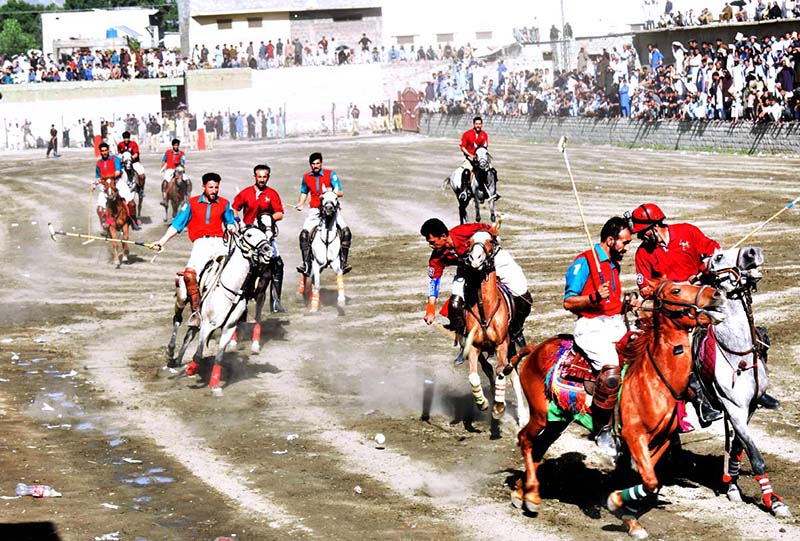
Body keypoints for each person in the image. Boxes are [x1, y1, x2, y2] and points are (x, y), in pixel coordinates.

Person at [629, 203, 780, 429]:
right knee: (686, 350)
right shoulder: (643, 254)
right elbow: (645, 289)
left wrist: (703, 269)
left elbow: (713, 251)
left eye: (643, 232)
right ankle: (701, 401)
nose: (641, 237)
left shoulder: (687, 231)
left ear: (654, 226)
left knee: (751, 333)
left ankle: (758, 390)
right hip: (678, 309)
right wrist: (677, 286)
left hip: (707, 296)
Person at [563, 217, 633, 456]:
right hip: (591, 327)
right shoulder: (583, 263)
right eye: (624, 242)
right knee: (611, 368)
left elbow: (611, 303)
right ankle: (601, 427)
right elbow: (568, 302)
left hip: (614, 324)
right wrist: (592, 298)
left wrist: (626, 304)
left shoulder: (614, 264)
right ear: (610, 240)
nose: (627, 248)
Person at [420, 218, 531, 360]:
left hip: (494, 260)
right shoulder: (436, 257)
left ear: (443, 236)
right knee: (455, 305)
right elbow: (433, 281)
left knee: (522, 296)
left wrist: (492, 232)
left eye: (432, 242)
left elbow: (486, 229)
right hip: (467, 270)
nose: (431, 246)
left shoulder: (463, 231)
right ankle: (465, 343)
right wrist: (430, 308)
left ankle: (516, 330)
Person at [151, 172, 237, 329]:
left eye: (216, 187)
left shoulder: (224, 203)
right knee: (190, 275)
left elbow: (231, 221)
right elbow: (177, 225)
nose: (214, 191)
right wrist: (162, 241)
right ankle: (195, 312)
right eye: (211, 187)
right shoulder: (191, 204)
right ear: (203, 187)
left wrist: (231, 226)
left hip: (220, 244)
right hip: (201, 245)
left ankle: (239, 306)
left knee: (236, 272)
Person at [232, 164, 286, 313]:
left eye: (264, 177)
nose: (262, 180)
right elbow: (234, 208)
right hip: (248, 235)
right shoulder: (246, 193)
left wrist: (266, 219)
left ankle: (275, 301)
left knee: (278, 264)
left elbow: (280, 214)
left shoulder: (272, 194)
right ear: (255, 177)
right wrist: (238, 222)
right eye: (259, 177)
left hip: (265, 235)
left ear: (268, 177)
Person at [293, 152, 352, 275]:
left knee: (346, 232)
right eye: (313, 164)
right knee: (303, 235)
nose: (316, 166)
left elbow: (340, 192)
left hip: (331, 210)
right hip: (315, 211)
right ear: (310, 165)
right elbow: (304, 191)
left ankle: (343, 262)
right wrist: (301, 203)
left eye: (318, 163)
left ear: (321, 163)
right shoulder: (306, 177)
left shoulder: (330, 174)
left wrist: (328, 194)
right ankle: (306, 264)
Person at [92, 142, 136, 231]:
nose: (104, 152)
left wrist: (106, 178)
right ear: (100, 152)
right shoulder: (99, 163)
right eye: (102, 151)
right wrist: (94, 184)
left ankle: (133, 220)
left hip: (118, 183)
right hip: (105, 185)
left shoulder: (115, 159)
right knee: (100, 209)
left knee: (131, 203)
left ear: (108, 150)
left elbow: (118, 172)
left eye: (105, 150)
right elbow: (98, 176)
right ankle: (107, 224)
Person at [458, 116, 498, 199]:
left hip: (481, 159)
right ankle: (464, 191)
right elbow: (462, 147)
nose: (478, 125)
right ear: (473, 124)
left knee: (493, 171)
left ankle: (493, 191)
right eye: (476, 124)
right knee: (466, 172)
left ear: (482, 124)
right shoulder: (467, 134)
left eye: (479, 124)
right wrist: (470, 155)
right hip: (470, 158)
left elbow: (484, 148)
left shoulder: (484, 135)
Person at [160, 138, 186, 208]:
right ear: (172, 146)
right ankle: (164, 199)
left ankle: (186, 196)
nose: (176, 147)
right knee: (165, 182)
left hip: (178, 169)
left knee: (187, 181)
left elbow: (182, 161)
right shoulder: (167, 152)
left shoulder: (182, 153)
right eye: (174, 145)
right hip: (169, 170)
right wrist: (163, 165)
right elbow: (163, 160)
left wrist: (181, 165)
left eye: (177, 145)